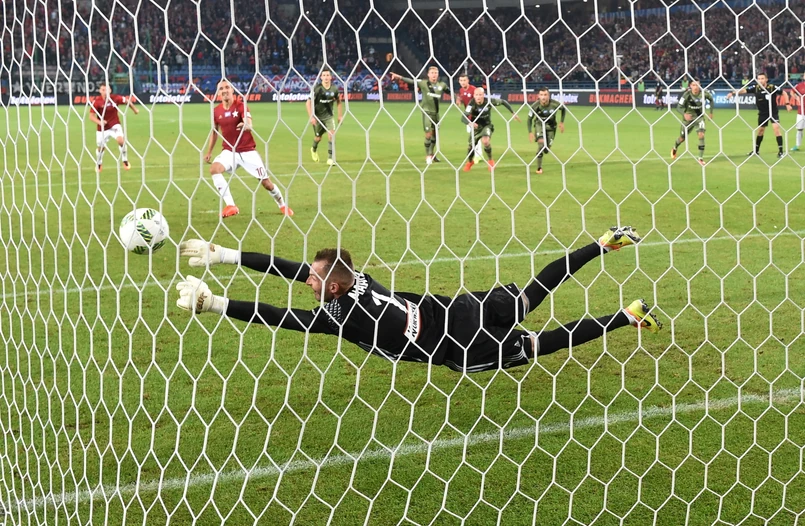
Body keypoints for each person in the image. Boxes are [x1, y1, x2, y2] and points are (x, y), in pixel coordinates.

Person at [175, 226, 662, 373]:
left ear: (334, 287)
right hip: (458, 308)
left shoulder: (343, 317)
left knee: (540, 344)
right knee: (534, 292)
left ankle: (626, 315)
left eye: (316, 281)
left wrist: (216, 304)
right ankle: (602, 245)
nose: (309, 281)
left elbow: (282, 317)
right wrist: (225, 256)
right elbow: (291, 270)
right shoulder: (353, 277)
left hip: (460, 346)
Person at [204, 79, 293, 218]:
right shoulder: (216, 111)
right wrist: (209, 151)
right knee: (214, 169)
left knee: (266, 183)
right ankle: (231, 205)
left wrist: (247, 125)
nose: (224, 90)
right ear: (218, 93)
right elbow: (214, 132)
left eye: (227, 87)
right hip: (229, 151)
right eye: (221, 89)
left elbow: (248, 121)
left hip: (248, 151)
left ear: (232, 90)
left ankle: (282, 205)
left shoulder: (241, 106)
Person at [391, 66, 451, 165]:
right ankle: (428, 156)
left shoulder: (442, 85)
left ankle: (432, 153)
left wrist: (457, 98)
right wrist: (399, 77)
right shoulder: (423, 83)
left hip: (436, 114)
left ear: (438, 74)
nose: (434, 75)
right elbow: (411, 81)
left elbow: (449, 92)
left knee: (434, 135)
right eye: (432, 73)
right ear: (428, 74)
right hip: (426, 112)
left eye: (435, 73)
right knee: (428, 134)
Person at [727, 73, 792, 158]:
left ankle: (780, 152)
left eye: (762, 78)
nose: (760, 80)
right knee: (760, 131)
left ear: (766, 79)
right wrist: (732, 93)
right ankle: (756, 151)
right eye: (759, 79)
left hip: (773, 112)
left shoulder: (772, 87)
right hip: (762, 113)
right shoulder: (755, 88)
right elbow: (744, 90)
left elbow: (784, 93)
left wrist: (787, 104)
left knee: (776, 129)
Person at [461, 87, 520, 172]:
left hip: (486, 125)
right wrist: (470, 123)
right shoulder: (471, 104)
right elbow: (463, 117)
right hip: (476, 128)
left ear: (483, 95)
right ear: (474, 95)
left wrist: (513, 112)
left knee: (485, 141)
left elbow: (503, 102)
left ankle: (490, 161)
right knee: (471, 147)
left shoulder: (488, 101)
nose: (478, 97)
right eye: (476, 95)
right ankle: (470, 162)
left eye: (480, 95)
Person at [89, 83, 139, 172]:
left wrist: (135, 110)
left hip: (114, 124)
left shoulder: (115, 98)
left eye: (107, 90)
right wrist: (100, 122)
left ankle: (125, 159)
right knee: (101, 147)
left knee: (121, 141)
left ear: (110, 90)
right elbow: (91, 116)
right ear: (100, 91)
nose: (105, 92)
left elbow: (127, 101)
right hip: (102, 128)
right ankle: (99, 162)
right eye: (103, 90)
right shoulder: (97, 102)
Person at [671, 80, 714, 165]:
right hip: (688, 119)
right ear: (690, 86)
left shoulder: (704, 94)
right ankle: (675, 147)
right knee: (682, 138)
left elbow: (711, 100)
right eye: (694, 85)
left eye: (697, 85)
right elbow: (679, 107)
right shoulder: (686, 95)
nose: (696, 87)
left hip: (699, 118)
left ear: (700, 85)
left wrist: (711, 112)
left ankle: (700, 158)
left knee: (701, 135)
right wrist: (684, 114)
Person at [307, 67, 343, 166]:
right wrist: (311, 117)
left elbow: (339, 102)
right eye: (324, 75)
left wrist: (340, 116)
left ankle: (330, 158)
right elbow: (308, 103)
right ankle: (313, 149)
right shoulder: (317, 89)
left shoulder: (334, 89)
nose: (326, 77)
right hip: (318, 117)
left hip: (329, 117)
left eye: (327, 75)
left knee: (331, 135)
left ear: (331, 77)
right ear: (321, 77)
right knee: (318, 138)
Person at [528, 87, 566, 175]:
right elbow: (529, 119)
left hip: (551, 127)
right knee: (541, 144)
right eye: (541, 95)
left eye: (545, 95)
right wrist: (530, 131)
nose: (543, 97)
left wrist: (562, 122)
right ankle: (539, 168)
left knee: (546, 149)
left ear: (548, 96)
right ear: (538, 96)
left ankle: (546, 148)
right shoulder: (535, 106)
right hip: (539, 125)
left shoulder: (555, 104)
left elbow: (563, 109)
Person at [455, 73, 482, 164]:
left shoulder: (473, 89)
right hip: (468, 117)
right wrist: (459, 100)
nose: (463, 82)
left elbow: (480, 100)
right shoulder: (461, 90)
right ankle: (478, 154)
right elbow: (462, 98)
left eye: (464, 80)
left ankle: (478, 155)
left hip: (476, 116)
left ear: (468, 81)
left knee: (475, 136)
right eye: (461, 80)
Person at [790, 78, 805, 151]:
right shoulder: (799, 85)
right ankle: (797, 145)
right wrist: (796, 98)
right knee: (799, 129)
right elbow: (792, 92)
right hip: (801, 111)